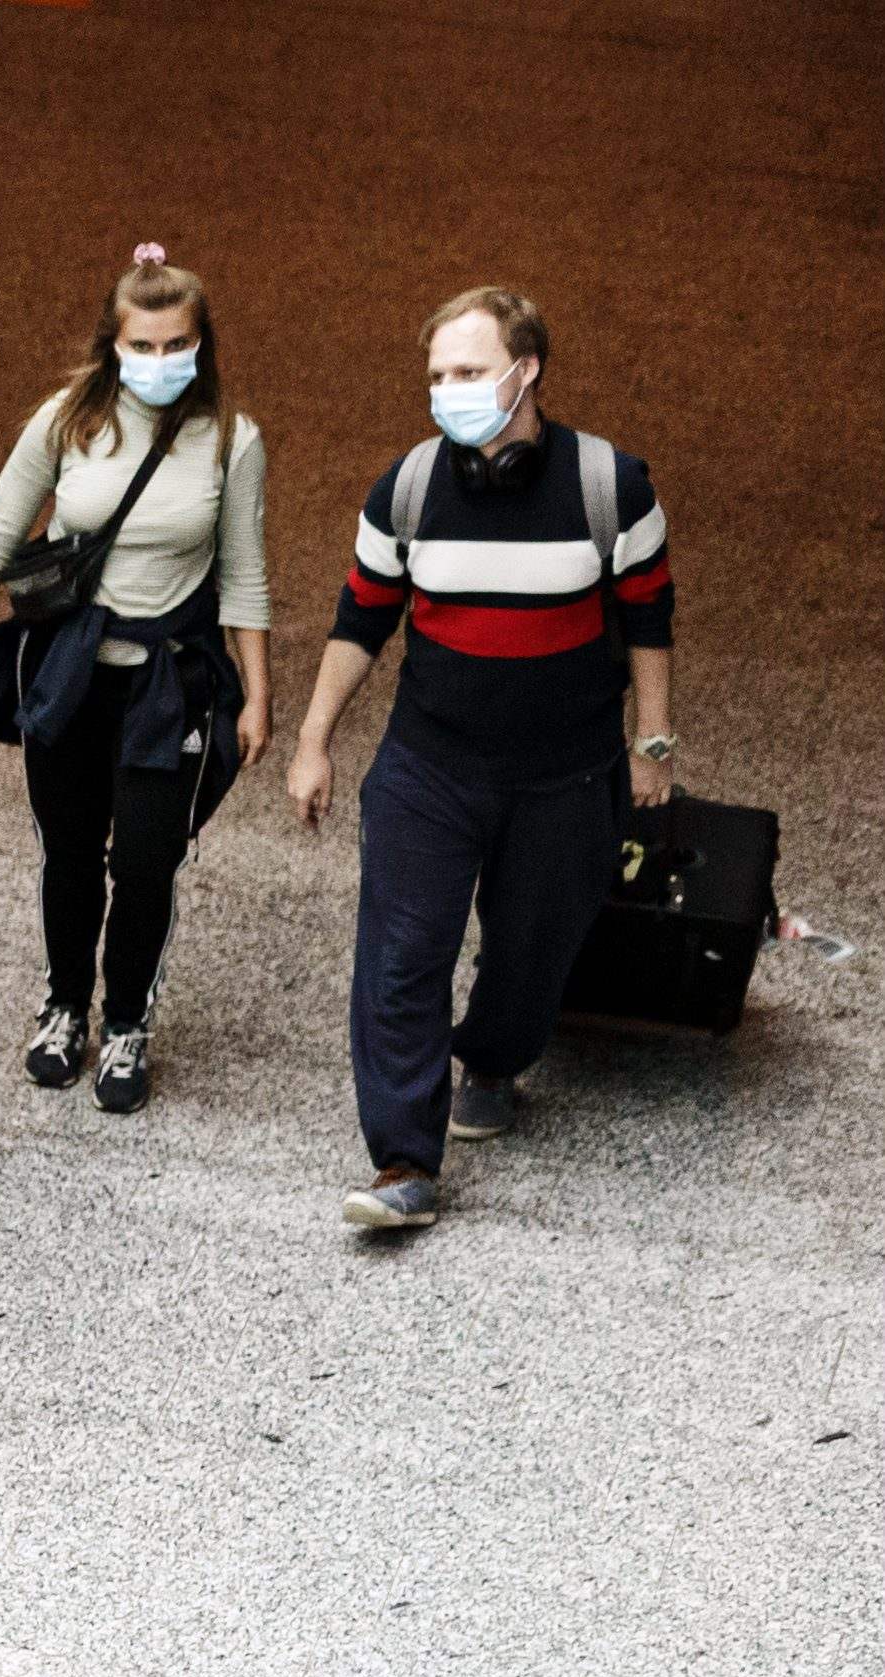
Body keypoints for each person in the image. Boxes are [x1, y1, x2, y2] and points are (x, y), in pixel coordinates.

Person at [287, 283, 674, 1234]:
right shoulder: (407, 489)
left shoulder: (610, 485)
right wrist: (313, 739)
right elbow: (360, 622)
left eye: (468, 371)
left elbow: (650, 621)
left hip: (569, 769)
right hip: (432, 763)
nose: (448, 390)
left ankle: (494, 1056)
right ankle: (404, 1160)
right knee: (400, 956)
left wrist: (652, 742)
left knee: (536, 945)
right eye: (437, 375)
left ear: (525, 369)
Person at [0, 245, 273, 1115]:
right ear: (112, 344)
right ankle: (64, 1006)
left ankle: (127, 1022)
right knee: (70, 853)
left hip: (170, 682)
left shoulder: (232, 440)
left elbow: (245, 573)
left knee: (149, 862)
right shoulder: (67, 421)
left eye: (176, 346)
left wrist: (258, 693)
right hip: (72, 673)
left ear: (203, 345)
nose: (160, 363)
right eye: (142, 346)